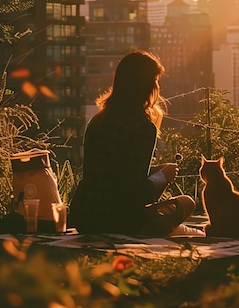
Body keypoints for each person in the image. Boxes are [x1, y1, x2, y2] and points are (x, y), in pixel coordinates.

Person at [69, 51, 195, 236]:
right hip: (120, 223)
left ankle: (181, 231)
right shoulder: (142, 127)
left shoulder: (98, 120)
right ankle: (183, 232)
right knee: (187, 203)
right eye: (155, 81)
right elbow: (135, 195)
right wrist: (163, 177)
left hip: (85, 217)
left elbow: (115, 175)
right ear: (147, 86)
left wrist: (156, 171)